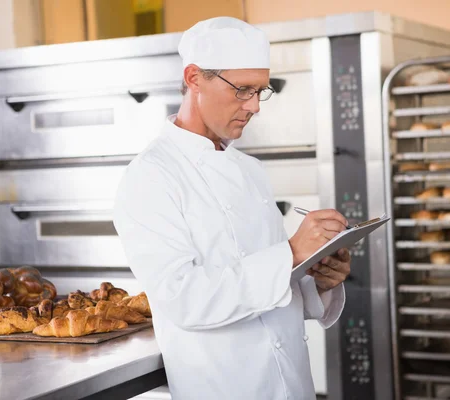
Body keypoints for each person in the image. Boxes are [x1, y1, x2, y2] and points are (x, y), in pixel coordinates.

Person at [113, 16, 350, 400]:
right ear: (193, 78)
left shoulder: (249, 170)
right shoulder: (150, 177)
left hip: (291, 384)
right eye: (242, 90)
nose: (254, 106)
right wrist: (291, 253)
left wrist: (317, 278)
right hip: (222, 387)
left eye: (261, 91)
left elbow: (272, 286)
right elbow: (183, 299)